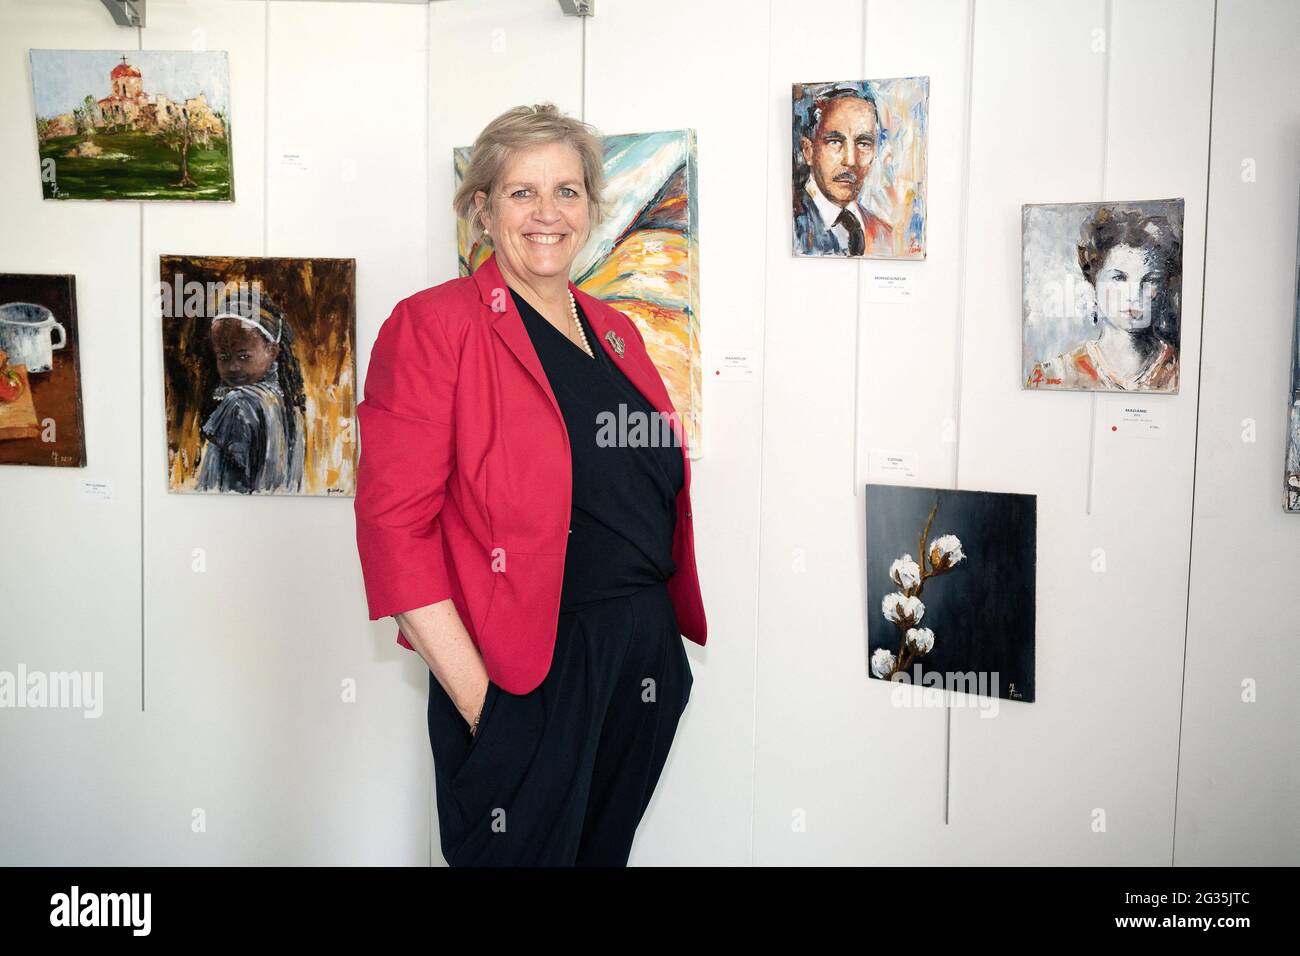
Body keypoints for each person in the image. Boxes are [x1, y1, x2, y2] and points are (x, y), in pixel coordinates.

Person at [353, 103, 707, 866]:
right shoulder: (434, 326)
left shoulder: (618, 330)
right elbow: (392, 531)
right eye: (521, 192)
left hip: (640, 662)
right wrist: (489, 708)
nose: (548, 213)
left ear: (590, 207)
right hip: (530, 677)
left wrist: (659, 658)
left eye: (568, 191)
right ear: (481, 208)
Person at [1027, 206, 1181, 391]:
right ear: (1094, 284)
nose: (1133, 296)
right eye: (1118, 278)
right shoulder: (1053, 375)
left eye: (1150, 281)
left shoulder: (1180, 371)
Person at [195, 282, 306, 493]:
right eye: (223, 357)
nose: (233, 367)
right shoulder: (289, 404)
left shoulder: (239, 403)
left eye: (244, 356)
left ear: (272, 350)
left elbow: (223, 488)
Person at [793, 82, 893, 257]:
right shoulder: (792, 224)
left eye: (863, 143)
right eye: (835, 142)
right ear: (808, 151)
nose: (851, 160)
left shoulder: (885, 236)